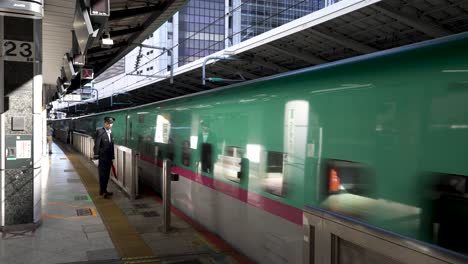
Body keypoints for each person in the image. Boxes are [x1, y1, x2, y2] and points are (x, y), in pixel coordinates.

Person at [93, 117, 115, 198]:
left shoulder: (110, 132)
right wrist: (96, 157)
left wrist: (113, 157)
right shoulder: (100, 131)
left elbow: (111, 145)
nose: (110, 125)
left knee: (106, 175)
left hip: (109, 158)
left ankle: (104, 190)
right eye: (109, 123)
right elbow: (97, 145)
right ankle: (102, 191)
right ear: (105, 123)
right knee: (102, 175)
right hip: (102, 158)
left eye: (111, 123)